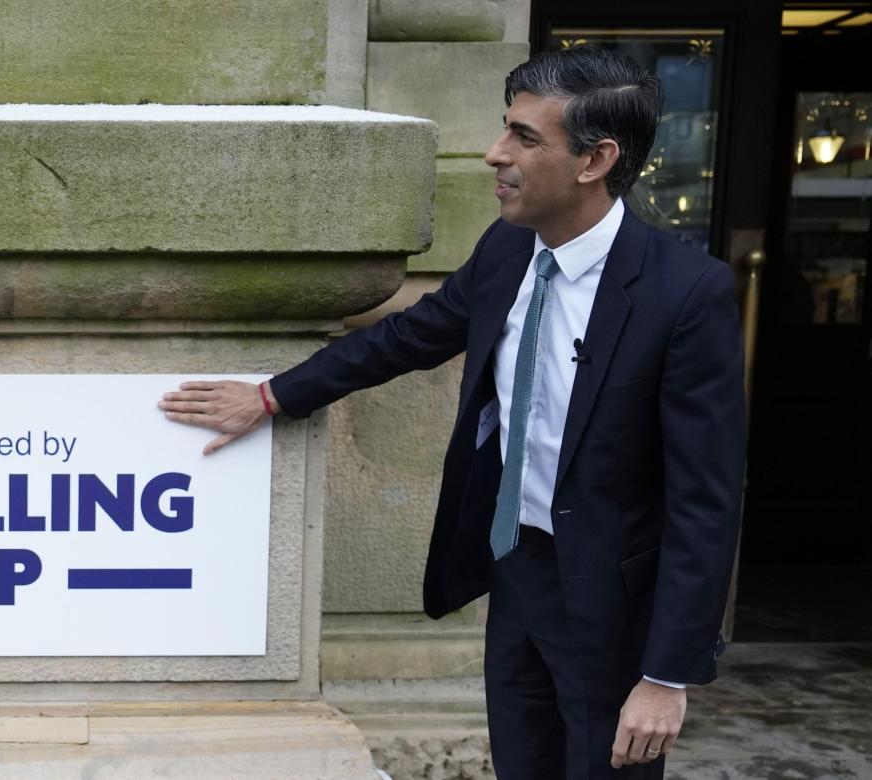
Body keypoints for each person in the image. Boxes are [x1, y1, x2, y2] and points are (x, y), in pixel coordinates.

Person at [159, 46, 744, 779]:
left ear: (594, 161)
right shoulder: (507, 250)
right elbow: (407, 338)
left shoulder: (688, 294)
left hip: (612, 605)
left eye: (525, 138)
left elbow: (705, 503)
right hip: (516, 572)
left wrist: (666, 676)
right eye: (505, 128)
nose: (495, 154)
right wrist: (274, 396)